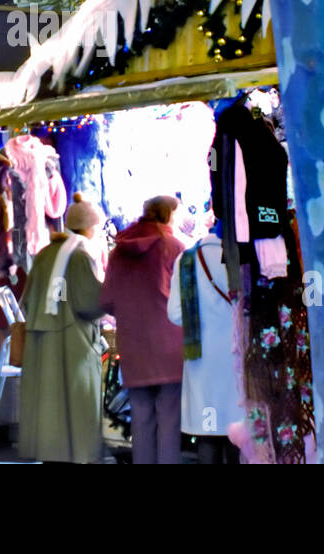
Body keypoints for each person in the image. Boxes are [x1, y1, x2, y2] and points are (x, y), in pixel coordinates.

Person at [18, 193, 107, 464]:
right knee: (75, 413)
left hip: (41, 343)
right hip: (73, 344)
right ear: (91, 227)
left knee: (49, 414)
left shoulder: (45, 254)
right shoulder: (80, 256)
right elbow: (90, 302)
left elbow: (28, 300)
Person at [101, 195, 185, 464]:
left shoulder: (118, 252)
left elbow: (107, 301)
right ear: (169, 215)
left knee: (141, 420)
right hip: (170, 346)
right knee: (170, 421)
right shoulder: (174, 247)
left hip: (134, 348)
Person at [168, 220, 243, 463]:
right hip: (234, 357)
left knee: (207, 433)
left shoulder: (185, 260)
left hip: (200, 360)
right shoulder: (236, 256)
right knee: (235, 432)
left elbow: (175, 313)